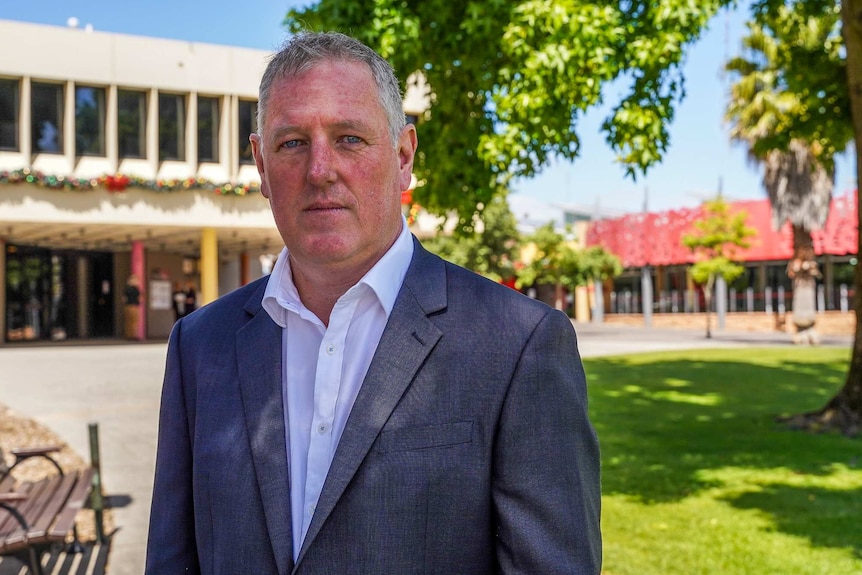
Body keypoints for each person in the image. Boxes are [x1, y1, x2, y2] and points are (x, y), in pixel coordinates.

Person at [146, 31, 601, 574]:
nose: (320, 170)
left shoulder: (517, 344)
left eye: (349, 138)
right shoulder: (199, 346)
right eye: (292, 143)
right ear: (261, 167)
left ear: (404, 156)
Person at [122, 274, 141, 340]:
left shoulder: (126, 289)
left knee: (128, 322)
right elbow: (140, 298)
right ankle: (134, 335)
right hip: (134, 306)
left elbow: (124, 299)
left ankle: (128, 335)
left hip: (127, 306)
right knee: (134, 322)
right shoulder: (136, 289)